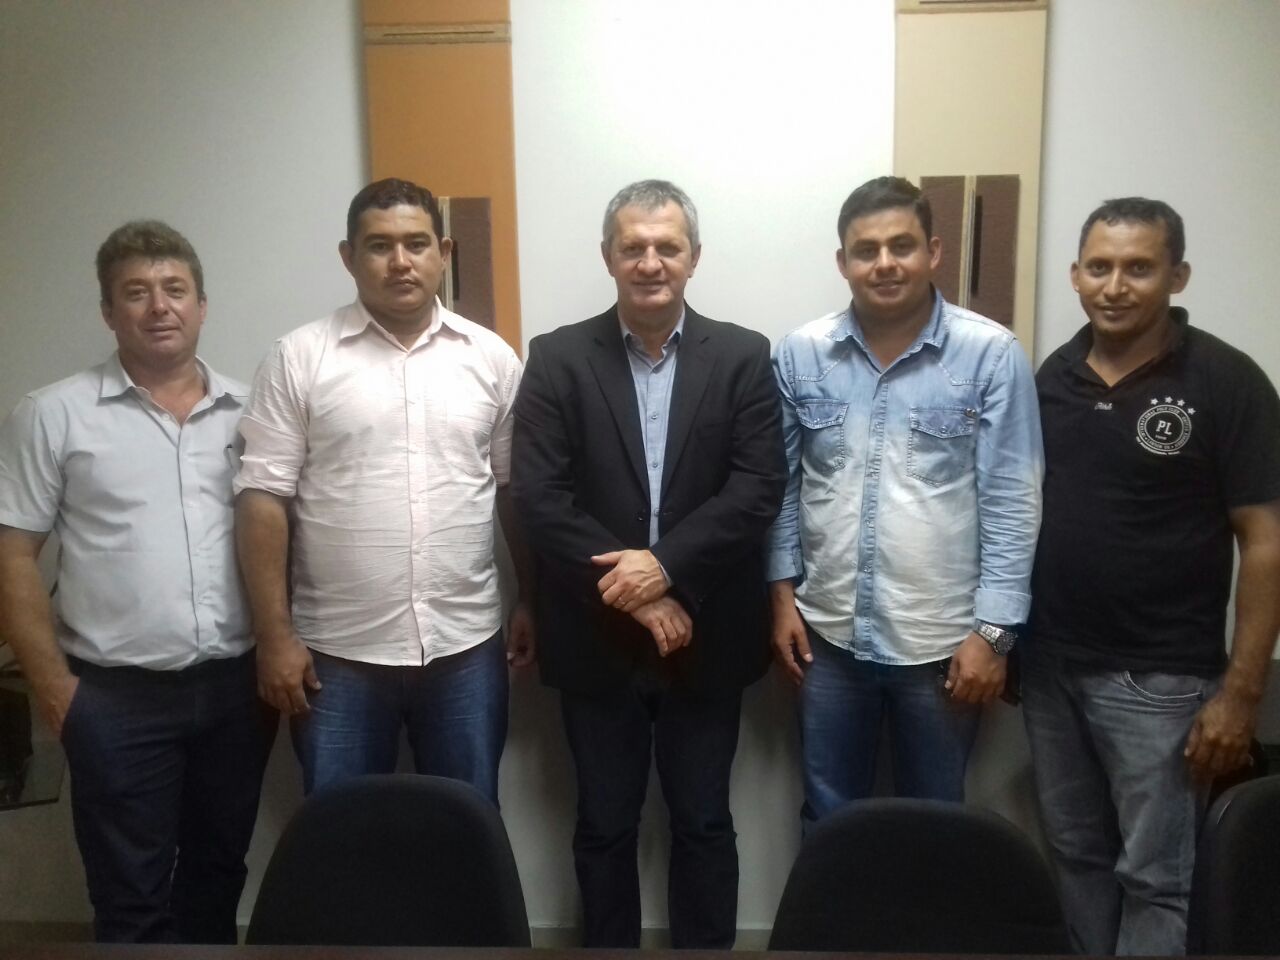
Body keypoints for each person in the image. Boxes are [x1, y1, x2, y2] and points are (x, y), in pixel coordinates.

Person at [511, 179, 785, 948]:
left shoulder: (742, 355)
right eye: (633, 246)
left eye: (667, 246)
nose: (650, 261)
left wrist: (664, 570)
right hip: (594, 635)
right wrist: (636, 593)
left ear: (694, 257)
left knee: (704, 822)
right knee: (603, 824)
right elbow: (539, 498)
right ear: (608, 257)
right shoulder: (558, 357)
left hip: (708, 631)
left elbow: (758, 488)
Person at [0, 221, 275, 943]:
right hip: (115, 699)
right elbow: (12, 556)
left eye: (174, 289)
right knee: (130, 899)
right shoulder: (52, 414)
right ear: (108, 311)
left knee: (218, 877)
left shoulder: (254, 413)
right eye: (136, 292)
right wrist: (54, 689)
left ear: (202, 306)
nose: (159, 307)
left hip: (235, 692)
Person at [1024, 197, 1280, 956]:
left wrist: (1242, 694)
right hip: (1050, 668)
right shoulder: (1053, 376)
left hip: (1161, 680)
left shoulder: (1227, 381)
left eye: (1138, 268)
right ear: (1075, 275)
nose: (1115, 286)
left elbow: (1266, 541)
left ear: (1178, 275)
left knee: (1159, 877)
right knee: (1076, 855)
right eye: (1099, 267)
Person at [234, 177, 533, 803]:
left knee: (465, 826)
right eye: (379, 246)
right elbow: (262, 501)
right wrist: (274, 636)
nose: (400, 261)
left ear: (443, 254)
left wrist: (531, 598)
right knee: (340, 834)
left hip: (464, 648)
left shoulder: (492, 358)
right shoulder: (299, 357)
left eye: (416, 244)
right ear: (349, 257)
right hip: (337, 654)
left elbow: (513, 493)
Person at [767, 176, 1043, 824]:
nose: (885, 263)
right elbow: (781, 487)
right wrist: (780, 600)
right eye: (866, 250)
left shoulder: (990, 355)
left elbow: (1013, 502)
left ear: (933, 252)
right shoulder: (802, 353)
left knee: (935, 824)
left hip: (944, 644)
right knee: (829, 818)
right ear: (843, 262)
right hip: (827, 637)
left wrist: (994, 635)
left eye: (902, 246)